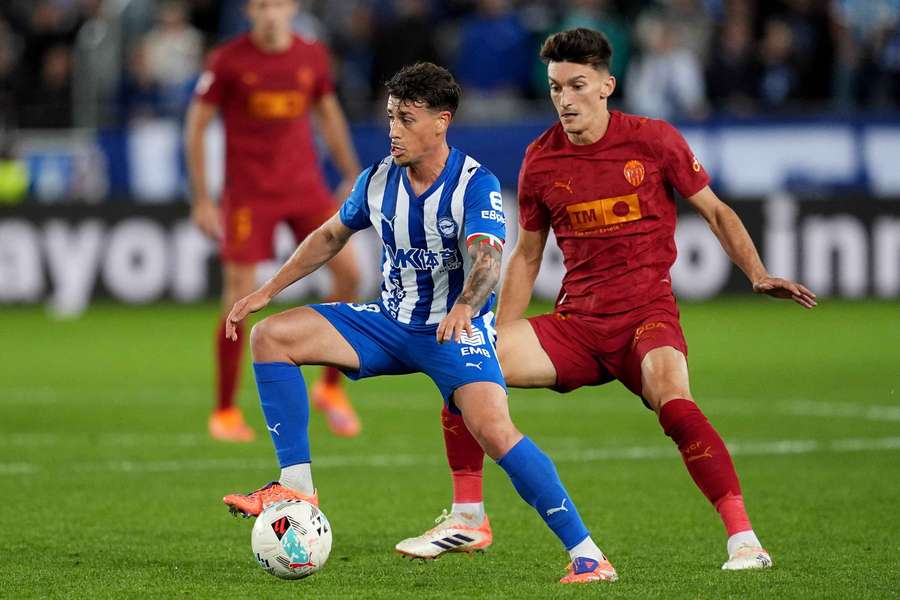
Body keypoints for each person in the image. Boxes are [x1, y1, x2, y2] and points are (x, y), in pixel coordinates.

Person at [396, 28, 817, 576]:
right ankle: (469, 515)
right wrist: (495, 330)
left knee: (674, 401)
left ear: (606, 85)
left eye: (576, 85)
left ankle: (744, 540)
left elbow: (715, 211)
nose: (564, 100)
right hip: (577, 325)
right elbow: (526, 256)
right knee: (463, 361)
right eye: (554, 88)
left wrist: (757, 273)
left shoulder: (654, 140)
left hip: (647, 317)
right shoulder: (541, 159)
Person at [221, 62, 616, 584]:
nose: (393, 130)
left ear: (440, 122)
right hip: (388, 322)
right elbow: (329, 236)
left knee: (496, 431)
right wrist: (266, 291)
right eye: (390, 117)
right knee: (272, 336)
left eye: (406, 119)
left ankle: (588, 555)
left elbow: (488, 260)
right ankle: (296, 487)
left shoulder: (475, 184)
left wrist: (465, 308)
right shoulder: (380, 178)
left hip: (454, 332)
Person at [184, 0, 362, 442]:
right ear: (248, 11)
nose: (269, 13)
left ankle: (329, 388)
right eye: (261, 5)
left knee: (352, 274)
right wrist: (203, 197)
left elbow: (329, 115)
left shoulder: (311, 55)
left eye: (276, 4)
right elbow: (197, 124)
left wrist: (351, 174)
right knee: (237, 298)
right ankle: (224, 411)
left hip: (304, 187)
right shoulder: (227, 60)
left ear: (292, 8)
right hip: (249, 195)